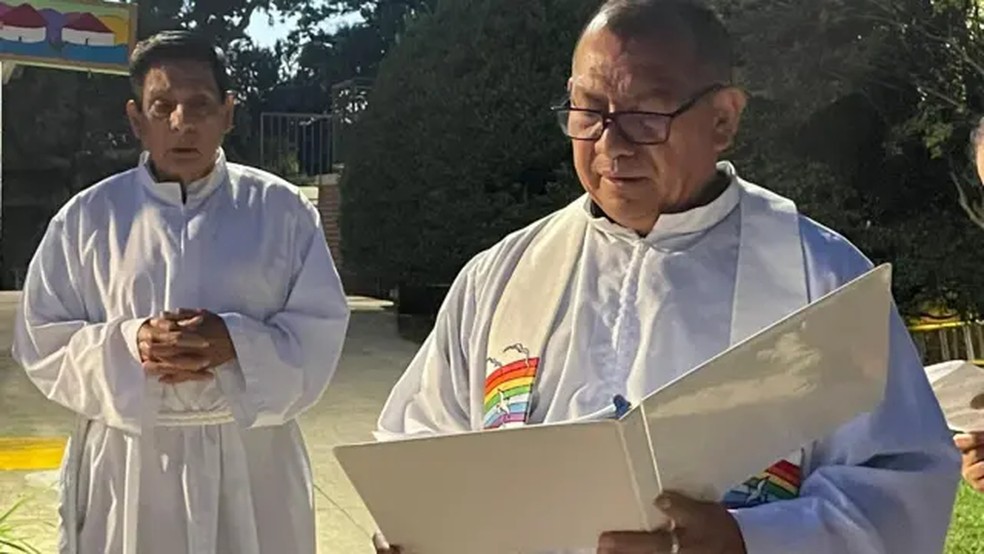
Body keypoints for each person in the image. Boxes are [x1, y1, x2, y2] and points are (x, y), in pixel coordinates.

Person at [371, 0, 960, 552]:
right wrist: (417, 521)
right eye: (588, 110)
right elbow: (420, 438)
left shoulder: (822, 280)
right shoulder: (499, 277)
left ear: (723, 119)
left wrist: (748, 539)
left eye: (644, 114)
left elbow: (901, 488)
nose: (611, 144)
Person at [12, 30, 350, 554]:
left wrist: (235, 344)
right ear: (136, 119)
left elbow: (319, 331)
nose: (182, 123)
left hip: (250, 458)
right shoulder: (87, 219)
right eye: (162, 106)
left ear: (228, 113)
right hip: (129, 462)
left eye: (200, 105)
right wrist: (133, 343)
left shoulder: (282, 212)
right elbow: (42, 339)